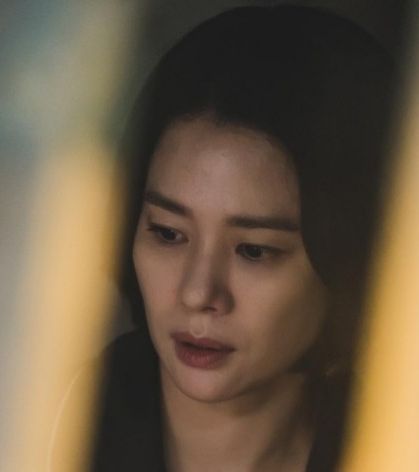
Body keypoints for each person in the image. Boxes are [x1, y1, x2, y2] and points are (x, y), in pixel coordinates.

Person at [90, 5, 398, 471]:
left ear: (346, 258)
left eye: (253, 251)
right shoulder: (18, 430)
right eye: (168, 233)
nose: (198, 293)